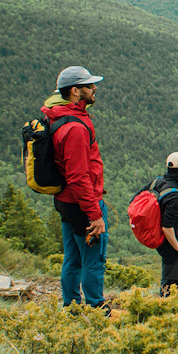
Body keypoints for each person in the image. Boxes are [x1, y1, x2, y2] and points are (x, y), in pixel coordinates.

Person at [46, 65, 108, 309]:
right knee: (94, 259)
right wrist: (95, 214)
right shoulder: (75, 128)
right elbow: (78, 176)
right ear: (75, 91)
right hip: (82, 204)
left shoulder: (59, 118)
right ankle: (96, 310)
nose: (94, 89)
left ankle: (71, 308)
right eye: (89, 85)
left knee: (72, 257)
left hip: (66, 202)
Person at [155, 151, 178, 296]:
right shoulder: (174, 195)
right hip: (169, 242)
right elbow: (167, 226)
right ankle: (164, 310)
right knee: (170, 280)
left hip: (158, 238)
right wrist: (177, 246)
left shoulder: (157, 182)